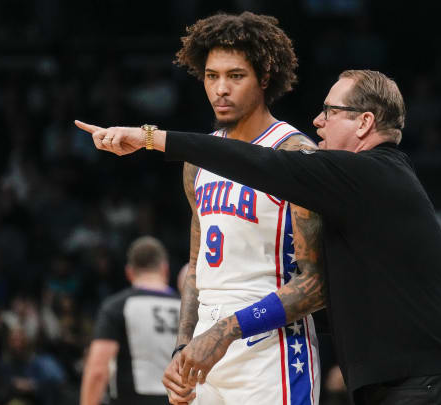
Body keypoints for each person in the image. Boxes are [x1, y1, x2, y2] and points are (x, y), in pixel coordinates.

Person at [75, 68, 441, 404]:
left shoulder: (369, 173)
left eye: (330, 111)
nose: (317, 121)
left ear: (365, 122)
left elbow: (260, 163)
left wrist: (148, 138)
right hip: (408, 384)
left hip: (424, 388)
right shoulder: (373, 182)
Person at [80, 12, 326, 405]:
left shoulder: (295, 153)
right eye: (212, 76)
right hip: (205, 351)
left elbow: (317, 284)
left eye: (235, 76)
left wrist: (227, 330)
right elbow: (196, 267)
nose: (220, 89)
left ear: (264, 76)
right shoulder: (198, 160)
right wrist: (182, 347)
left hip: (271, 349)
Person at [80, 236, 179, 405]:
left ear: (129, 272)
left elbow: (98, 370)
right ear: (165, 269)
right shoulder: (188, 308)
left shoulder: (118, 306)